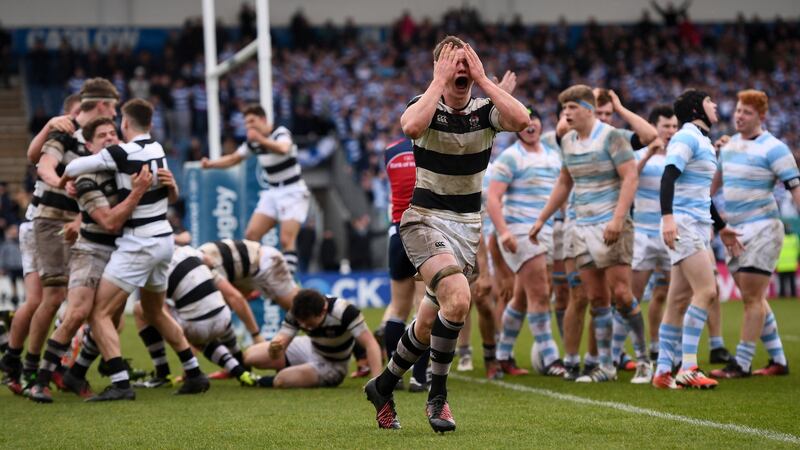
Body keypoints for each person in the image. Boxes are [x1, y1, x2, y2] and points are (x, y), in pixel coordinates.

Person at [364, 36, 528, 433]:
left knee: (425, 325)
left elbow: (522, 121)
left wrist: (485, 80)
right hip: (424, 218)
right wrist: (437, 81)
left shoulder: (485, 110)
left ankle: (382, 385)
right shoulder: (424, 105)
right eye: (451, 61)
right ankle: (438, 398)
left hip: (467, 227)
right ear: (437, 68)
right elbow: (411, 126)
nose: (460, 67)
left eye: (465, 60)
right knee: (457, 300)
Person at [62, 99, 209, 401]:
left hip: (138, 242)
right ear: (151, 124)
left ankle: (120, 383)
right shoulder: (158, 149)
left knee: (98, 313)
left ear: (125, 124)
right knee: (155, 310)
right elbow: (166, 192)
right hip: (164, 240)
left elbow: (75, 165)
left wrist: (66, 180)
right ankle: (194, 373)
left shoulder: (123, 152)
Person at [28, 117, 153, 403]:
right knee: (76, 314)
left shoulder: (127, 164)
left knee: (111, 319)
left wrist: (169, 187)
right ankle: (40, 381)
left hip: (122, 252)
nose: (109, 137)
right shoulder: (85, 178)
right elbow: (109, 222)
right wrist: (137, 192)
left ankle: (77, 373)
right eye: (102, 135)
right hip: (92, 251)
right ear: (89, 145)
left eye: (113, 133)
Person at [531, 85, 640, 384]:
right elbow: (564, 183)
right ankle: (584, 362)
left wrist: (618, 219)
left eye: (571, 108)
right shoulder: (566, 141)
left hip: (610, 226)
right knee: (585, 295)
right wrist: (543, 218)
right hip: (578, 227)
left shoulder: (614, 137)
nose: (566, 114)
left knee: (620, 293)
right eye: (563, 109)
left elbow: (636, 165)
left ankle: (642, 358)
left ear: (590, 110)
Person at [652, 89, 741, 390]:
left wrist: (721, 225)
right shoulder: (686, 136)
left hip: (697, 225)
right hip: (685, 225)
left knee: (678, 300)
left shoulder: (701, 141)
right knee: (707, 291)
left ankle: (663, 370)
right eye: (708, 101)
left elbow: (701, 193)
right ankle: (688, 366)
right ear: (696, 110)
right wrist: (667, 217)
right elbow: (668, 176)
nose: (715, 105)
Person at [710, 90, 798, 378]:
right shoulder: (730, 146)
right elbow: (714, 185)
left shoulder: (775, 148)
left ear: (761, 116)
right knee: (755, 297)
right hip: (733, 232)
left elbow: (795, 188)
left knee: (752, 298)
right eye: (737, 110)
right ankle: (779, 361)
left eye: (746, 112)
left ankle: (742, 363)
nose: (738, 116)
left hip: (763, 228)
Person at [0, 95, 79, 394]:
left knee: (43, 301)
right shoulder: (62, 133)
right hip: (43, 226)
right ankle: (34, 365)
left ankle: (14, 361)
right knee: (51, 300)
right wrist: (48, 125)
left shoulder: (81, 140)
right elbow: (35, 158)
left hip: (44, 225)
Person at [488, 106, 566, 377]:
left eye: (535, 119)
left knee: (521, 298)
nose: (530, 124)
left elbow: (561, 194)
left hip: (547, 231)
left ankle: (502, 356)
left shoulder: (553, 157)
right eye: (525, 120)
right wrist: (504, 232)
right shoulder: (510, 158)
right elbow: (492, 199)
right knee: (541, 294)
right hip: (521, 231)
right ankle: (552, 359)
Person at [201, 104, 308, 274]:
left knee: (287, 240)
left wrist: (260, 139)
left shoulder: (280, 133)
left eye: (252, 121)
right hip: (273, 192)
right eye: (246, 124)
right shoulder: (253, 143)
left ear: (263, 119)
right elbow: (234, 159)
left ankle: (288, 285)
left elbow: (283, 148)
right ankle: (256, 277)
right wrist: (211, 164)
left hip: (293, 191)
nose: (249, 127)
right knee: (251, 235)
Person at [133, 245, 259, 387]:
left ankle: (163, 374)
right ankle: (241, 371)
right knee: (205, 320)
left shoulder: (153, 266)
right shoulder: (188, 250)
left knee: (140, 308)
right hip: (224, 317)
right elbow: (210, 261)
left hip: (197, 326)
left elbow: (158, 310)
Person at [244, 289, 382, 388]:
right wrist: (274, 349)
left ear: (322, 312)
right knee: (250, 356)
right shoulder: (297, 311)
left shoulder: (344, 311)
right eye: (301, 322)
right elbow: (278, 349)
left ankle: (259, 381)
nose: (304, 326)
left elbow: (371, 344)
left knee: (282, 380)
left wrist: (376, 382)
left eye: (308, 323)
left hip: (334, 363)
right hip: (310, 346)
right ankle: (298, 370)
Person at [630, 105, 678, 378]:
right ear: (653, 127)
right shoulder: (639, 152)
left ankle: (662, 348)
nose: (670, 131)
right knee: (632, 296)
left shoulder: (679, 155)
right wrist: (649, 152)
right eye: (665, 126)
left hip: (670, 235)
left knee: (669, 294)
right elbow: (628, 180)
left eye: (674, 127)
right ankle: (623, 353)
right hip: (643, 235)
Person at [381, 137, 431, 391]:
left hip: (397, 232)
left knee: (398, 310)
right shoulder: (433, 147)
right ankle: (419, 377)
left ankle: (395, 373)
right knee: (425, 306)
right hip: (423, 230)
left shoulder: (390, 151)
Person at [776, 224, 798, 298]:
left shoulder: (779, 238)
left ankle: (782, 295)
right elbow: (798, 250)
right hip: (791, 264)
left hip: (781, 264)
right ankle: (793, 294)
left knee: (782, 282)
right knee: (792, 281)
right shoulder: (794, 238)